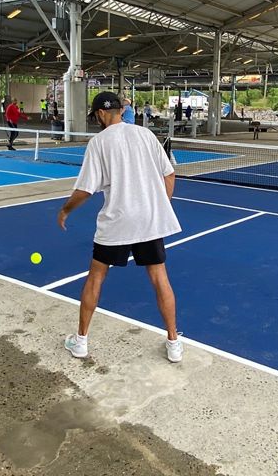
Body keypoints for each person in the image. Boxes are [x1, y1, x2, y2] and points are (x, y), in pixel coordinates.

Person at [58, 91, 183, 363]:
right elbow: (169, 173)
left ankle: (80, 342)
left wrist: (65, 210)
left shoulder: (98, 143)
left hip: (117, 222)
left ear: (101, 114)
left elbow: (85, 189)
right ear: (119, 110)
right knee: (160, 279)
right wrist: (161, 207)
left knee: (96, 277)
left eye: (96, 116)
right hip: (149, 221)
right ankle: (174, 343)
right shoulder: (146, 135)